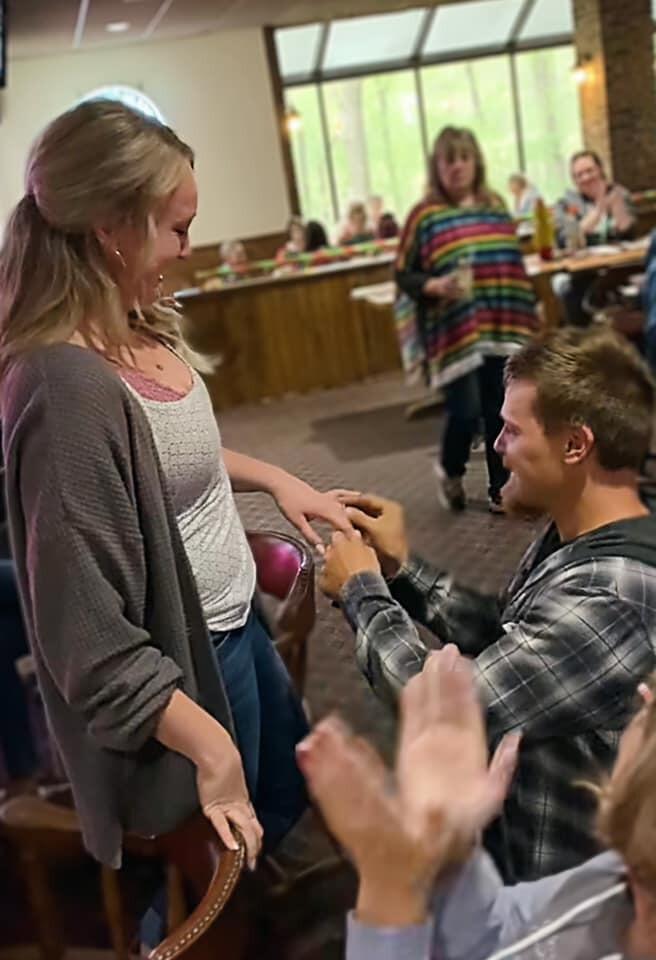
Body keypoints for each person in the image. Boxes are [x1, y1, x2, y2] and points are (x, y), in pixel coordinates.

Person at [0, 99, 355, 875]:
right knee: (208, 878)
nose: (188, 249)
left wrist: (274, 478)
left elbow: (171, 455)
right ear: (110, 227)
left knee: (281, 813)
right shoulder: (63, 388)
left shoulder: (134, 317)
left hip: (233, 623)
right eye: (176, 228)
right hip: (188, 671)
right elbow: (90, 646)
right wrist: (206, 741)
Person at [320, 326, 656, 882]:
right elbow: (518, 639)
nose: (496, 446)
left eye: (510, 430)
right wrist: (403, 572)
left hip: (567, 894)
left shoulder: (613, 593)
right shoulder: (590, 531)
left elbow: (444, 714)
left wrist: (363, 593)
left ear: (576, 444)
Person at [299, 645, 656, 960]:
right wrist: (450, 849)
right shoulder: (621, 875)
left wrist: (390, 891)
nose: (646, 692)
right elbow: (501, 936)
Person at [395, 126, 536, 513]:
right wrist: (434, 285)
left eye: (464, 158)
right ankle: (452, 469)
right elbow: (403, 274)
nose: (457, 167)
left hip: (500, 321)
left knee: (498, 407)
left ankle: (499, 487)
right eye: (448, 160)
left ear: (476, 162)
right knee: (465, 410)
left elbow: (511, 263)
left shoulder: (494, 206)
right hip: (452, 331)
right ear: (436, 167)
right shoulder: (424, 216)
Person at [554, 151, 636, 325]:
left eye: (590, 171)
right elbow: (567, 239)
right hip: (583, 274)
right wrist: (599, 209)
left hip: (619, 269)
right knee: (570, 290)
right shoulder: (567, 203)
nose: (585, 178)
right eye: (579, 175)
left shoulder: (619, 194)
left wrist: (614, 204)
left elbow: (627, 232)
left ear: (600, 170)